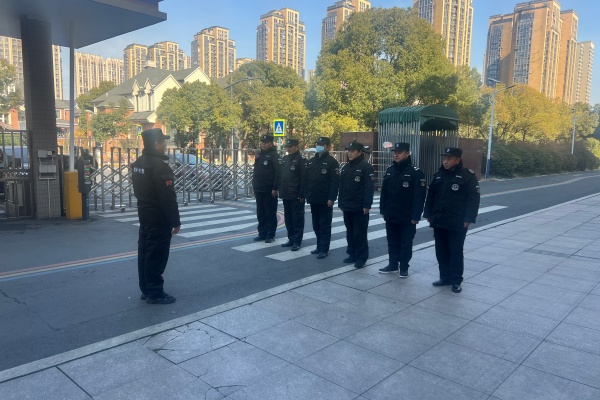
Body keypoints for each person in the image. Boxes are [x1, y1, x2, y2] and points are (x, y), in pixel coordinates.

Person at [132, 128, 181, 305]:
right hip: (158, 218)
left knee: (145, 252)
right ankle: (155, 292)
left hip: (144, 214)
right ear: (156, 144)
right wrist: (175, 221)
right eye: (163, 142)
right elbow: (167, 197)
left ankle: (146, 289)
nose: (165, 146)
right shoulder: (159, 166)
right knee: (156, 255)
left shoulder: (139, 163)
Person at [423, 147, 480, 293]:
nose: (445, 161)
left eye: (449, 159)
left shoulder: (467, 176)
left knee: (455, 252)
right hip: (439, 220)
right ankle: (444, 277)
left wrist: (469, 218)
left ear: (457, 160)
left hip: (457, 221)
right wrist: (428, 213)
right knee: (441, 251)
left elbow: (473, 199)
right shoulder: (438, 175)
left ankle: (456, 280)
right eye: (444, 159)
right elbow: (431, 196)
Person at [379, 143, 427, 277]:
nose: (396, 154)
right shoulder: (390, 170)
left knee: (406, 242)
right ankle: (393, 265)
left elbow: (419, 196)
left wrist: (416, 215)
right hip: (391, 213)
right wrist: (383, 209)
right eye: (395, 152)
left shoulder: (416, 172)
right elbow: (384, 192)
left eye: (399, 152)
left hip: (407, 215)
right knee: (392, 241)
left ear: (407, 153)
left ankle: (404, 267)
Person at [338, 141, 375, 269]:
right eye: (349, 151)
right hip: (347, 205)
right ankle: (352, 254)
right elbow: (342, 186)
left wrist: (367, 205)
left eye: (353, 151)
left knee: (360, 233)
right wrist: (341, 202)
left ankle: (361, 257)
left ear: (360, 152)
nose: (350, 153)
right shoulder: (346, 167)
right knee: (350, 232)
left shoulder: (366, 167)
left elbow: (369, 188)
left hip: (359, 207)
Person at [305, 137, 340, 259]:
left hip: (325, 199)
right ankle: (319, 245)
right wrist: (306, 194)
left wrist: (332, 197)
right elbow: (307, 180)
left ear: (328, 147)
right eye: (318, 144)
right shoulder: (312, 161)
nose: (320, 146)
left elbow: (335, 182)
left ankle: (324, 249)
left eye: (323, 145)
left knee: (324, 225)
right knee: (316, 225)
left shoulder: (332, 162)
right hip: (313, 198)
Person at [279, 138, 307, 251]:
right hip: (286, 193)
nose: (288, 148)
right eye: (287, 146)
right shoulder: (285, 159)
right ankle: (291, 239)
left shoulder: (301, 160)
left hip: (296, 194)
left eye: (290, 146)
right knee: (289, 219)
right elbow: (282, 176)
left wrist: (302, 194)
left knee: (297, 219)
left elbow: (304, 179)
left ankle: (297, 241)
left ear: (296, 146)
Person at [252, 134, 281, 243]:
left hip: (269, 190)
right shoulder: (259, 155)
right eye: (262, 142)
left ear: (271, 143)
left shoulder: (274, 155)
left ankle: (270, 234)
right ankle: (262, 233)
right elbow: (256, 172)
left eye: (266, 142)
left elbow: (278, 172)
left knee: (270, 213)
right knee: (261, 213)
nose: (263, 144)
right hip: (259, 188)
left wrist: (275, 187)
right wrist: (255, 187)